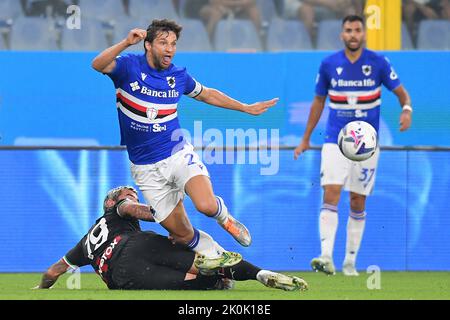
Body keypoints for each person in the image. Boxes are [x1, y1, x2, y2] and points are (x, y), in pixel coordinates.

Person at [91, 19, 278, 270]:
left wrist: (245, 108)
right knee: (182, 233)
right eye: (163, 43)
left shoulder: (178, 76)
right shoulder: (128, 67)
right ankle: (216, 254)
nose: (169, 49)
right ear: (147, 45)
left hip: (176, 152)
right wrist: (126, 42)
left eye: (173, 44)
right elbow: (97, 64)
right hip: (145, 168)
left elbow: (208, 93)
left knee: (206, 206)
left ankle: (225, 218)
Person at [294, 15, 412, 276]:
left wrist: (406, 109)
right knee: (331, 193)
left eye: (357, 30)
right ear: (341, 35)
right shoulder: (328, 64)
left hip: (367, 145)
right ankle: (326, 257)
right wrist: (305, 138)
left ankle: (349, 262)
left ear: (364, 34)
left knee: (358, 201)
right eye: (348, 30)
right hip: (336, 140)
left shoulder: (378, 63)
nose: (353, 35)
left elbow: (401, 92)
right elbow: (318, 102)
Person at [34, 186, 308, 291]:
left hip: (121, 278)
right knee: (205, 261)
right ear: (111, 203)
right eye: (127, 194)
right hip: (136, 246)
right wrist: (158, 212)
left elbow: (52, 271)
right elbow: (131, 208)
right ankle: (259, 274)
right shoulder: (120, 211)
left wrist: (40, 290)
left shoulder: (85, 242)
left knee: (198, 286)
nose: (132, 197)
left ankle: (211, 274)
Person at [199, 0, 264, 46]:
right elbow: (214, 2)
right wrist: (240, 3)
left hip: (238, 7)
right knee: (215, 14)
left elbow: (251, 1)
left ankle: (258, 44)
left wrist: (233, 4)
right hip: (212, 7)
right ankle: (206, 43)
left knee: (254, 12)